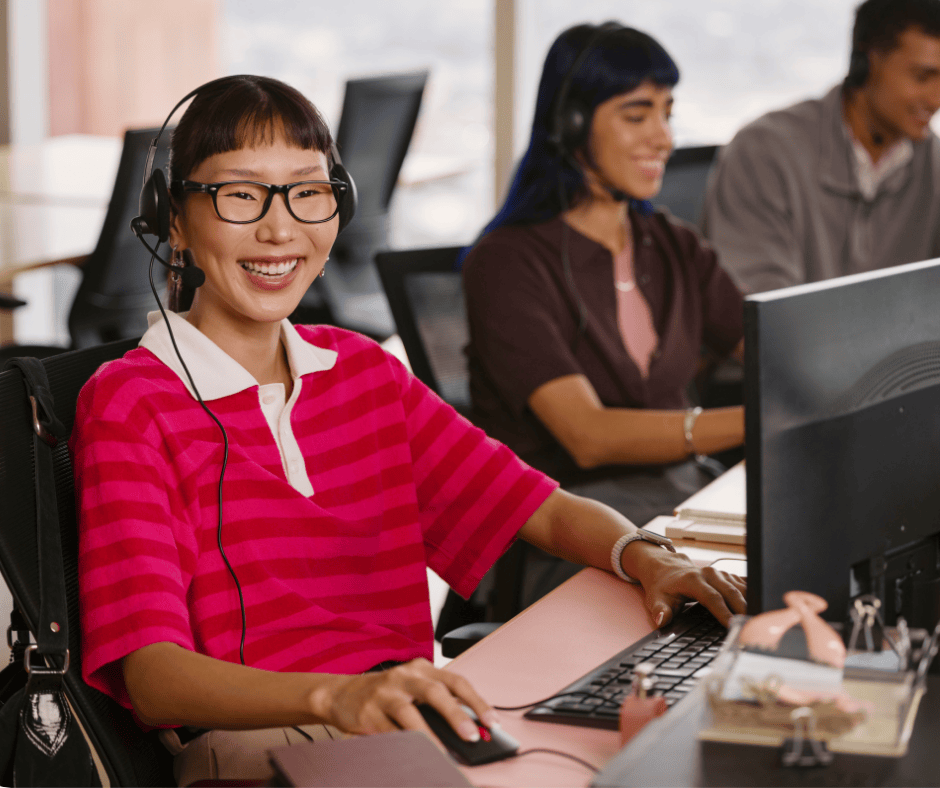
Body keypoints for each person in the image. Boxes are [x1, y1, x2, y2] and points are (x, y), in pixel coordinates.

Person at [70, 75, 746, 785]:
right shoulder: (130, 402)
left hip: (400, 720)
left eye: (307, 191)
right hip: (254, 750)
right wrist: (340, 694)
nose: (280, 228)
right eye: (240, 195)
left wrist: (647, 555)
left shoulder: (361, 371)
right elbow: (154, 676)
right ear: (172, 219)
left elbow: (536, 504)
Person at [462, 22, 745, 538]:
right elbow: (588, 435)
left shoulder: (672, 243)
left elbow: (772, 348)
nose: (663, 137)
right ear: (571, 125)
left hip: (680, 504)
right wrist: (756, 423)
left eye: (667, 113)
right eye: (637, 114)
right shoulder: (506, 262)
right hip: (569, 533)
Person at [702, 0, 940, 293]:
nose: (935, 99)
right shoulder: (763, 154)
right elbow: (761, 318)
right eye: (923, 77)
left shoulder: (934, 164)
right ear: (866, 63)